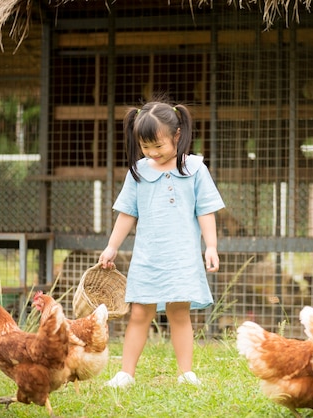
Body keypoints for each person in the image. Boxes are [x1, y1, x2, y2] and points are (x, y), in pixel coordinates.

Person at [99, 99, 225, 388]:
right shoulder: (139, 171)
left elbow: (205, 210)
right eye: (145, 147)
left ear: (177, 135)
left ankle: (186, 374)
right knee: (140, 312)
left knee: (179, 312)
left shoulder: (194, 168)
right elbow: (127, 213)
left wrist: (211, 246)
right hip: (148, 257)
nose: (153, 153)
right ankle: (126, 374)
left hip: (182, 256)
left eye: (159, 146)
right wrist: (112, 246)